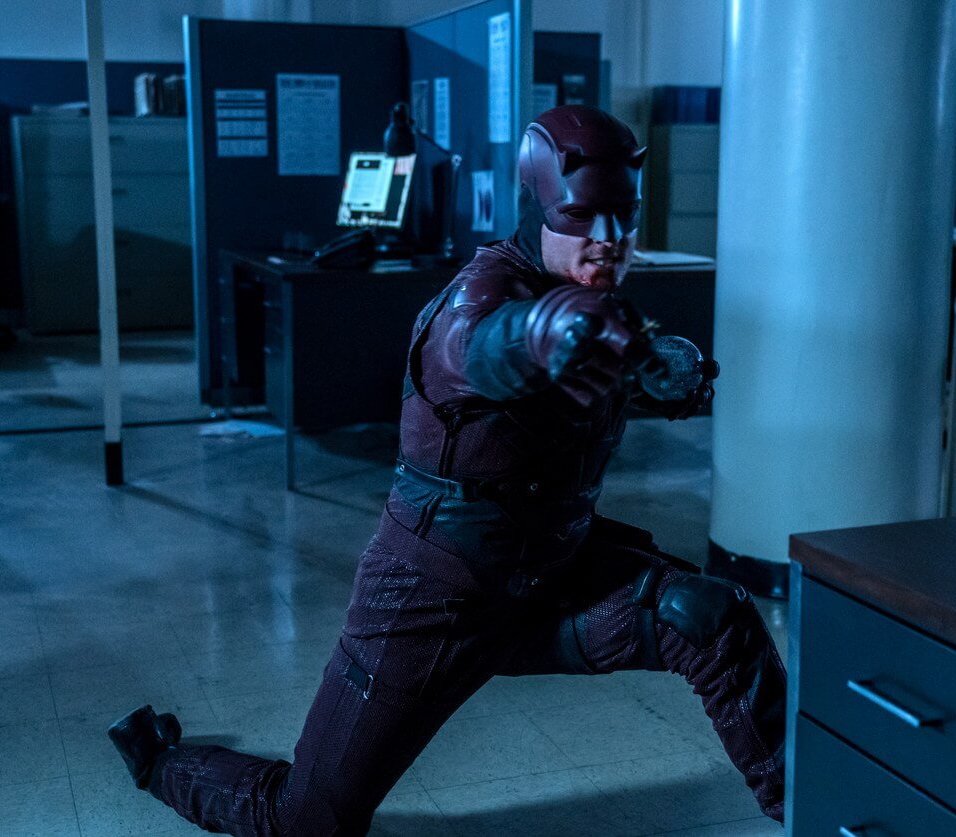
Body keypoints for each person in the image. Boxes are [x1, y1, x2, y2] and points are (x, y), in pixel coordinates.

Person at [109, 105, 786, 835]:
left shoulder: (588, 292)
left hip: (551, 577)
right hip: (435, 597)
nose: (610, 237)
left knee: (709, 618)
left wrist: (657, 369)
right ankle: (157, 758)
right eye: (582, 215)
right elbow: (483, 348)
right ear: (537, 210)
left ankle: (823, 812)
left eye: (624, 216)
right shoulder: (479, 299)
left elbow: (603, 370)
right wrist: (545, 331)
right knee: (308, 820)